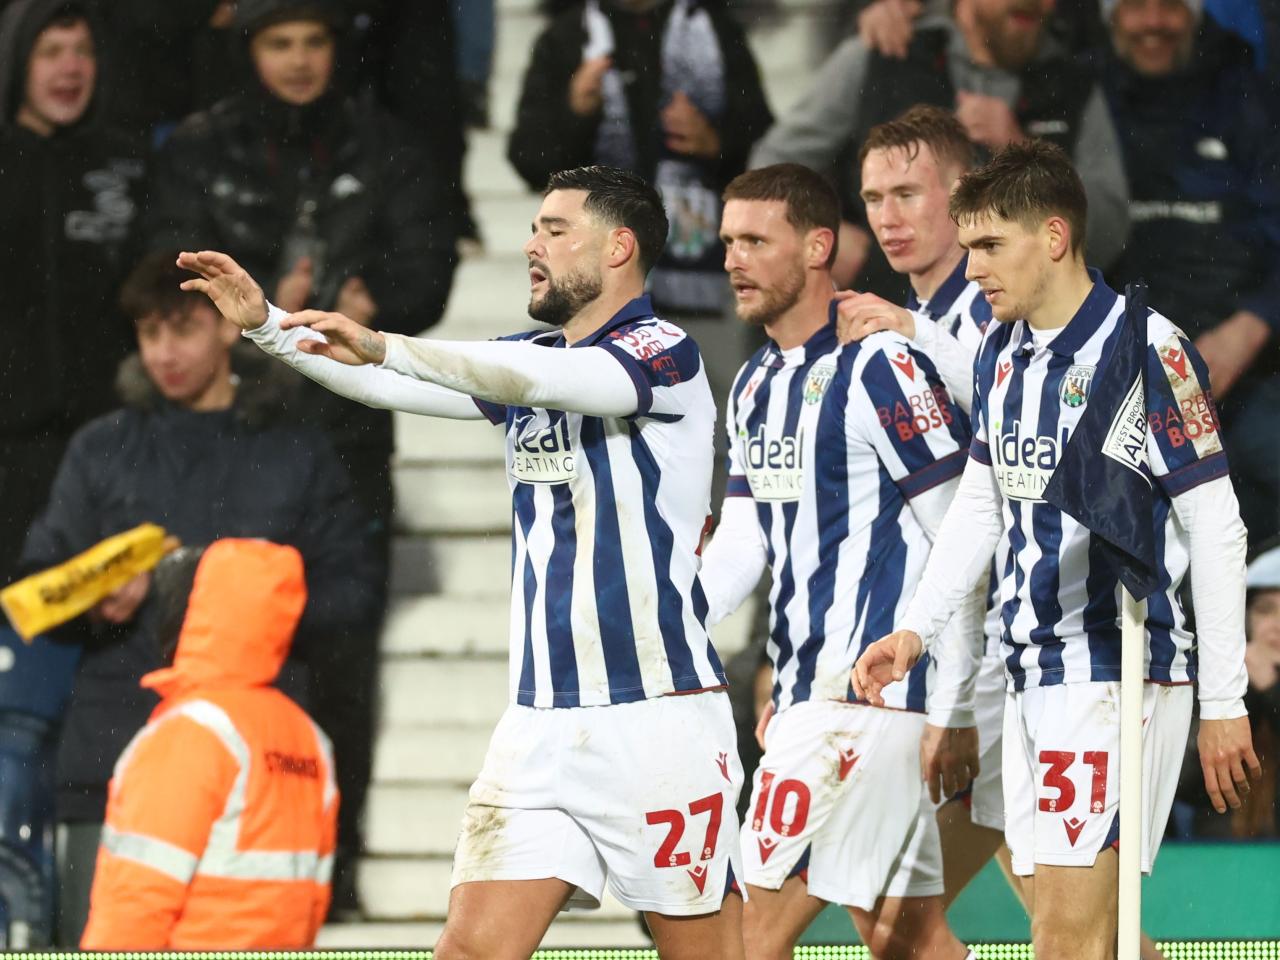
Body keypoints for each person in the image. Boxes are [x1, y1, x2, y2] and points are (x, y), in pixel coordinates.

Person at [178, 164, 746, 960]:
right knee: (469, 951)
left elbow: (543, 376)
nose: (531, 245)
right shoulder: (533, 362)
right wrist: (268, 326)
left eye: (554, 230)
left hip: (656, 718)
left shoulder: (664, 353)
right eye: (535, 227)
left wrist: (391, 342)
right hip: (540, 726)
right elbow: (383, 383)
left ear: (620, 247)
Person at [851, 140, 1261, 960]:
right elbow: (979, 503)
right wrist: (917, 630)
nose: (971, 270)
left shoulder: (1147, 348)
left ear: (1054, 235)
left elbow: (1218, 528)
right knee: (1094, 940)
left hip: (1114, 671)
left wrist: (1224, 703)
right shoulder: (1006, 351)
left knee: (1066, 941)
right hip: (1031, 672)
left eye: (989, 246)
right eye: (967, 247)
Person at [144, 0, 459, 910]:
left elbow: (427, 273)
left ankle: (335, 866)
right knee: (210, 645)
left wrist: (371, 298)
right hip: (223, 428)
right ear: (252, 50)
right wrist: (260, 309)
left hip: (349, 429)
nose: (297, 61)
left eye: (314, 41)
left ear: (337, 48)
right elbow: (159, 263)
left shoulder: (388, 142)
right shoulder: (202, 146)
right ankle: (209, 857)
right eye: (278, 42)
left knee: (342, 655)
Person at [19, 251, 379, 946]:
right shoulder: (102, 448)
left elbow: (354, 590)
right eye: (149, 333)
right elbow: (39, 578)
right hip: (115, 746)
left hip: (259, 765)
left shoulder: (293, 450)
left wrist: (246, 608)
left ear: (223, 330)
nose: (164, 352)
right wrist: (96, 594)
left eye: (181, 329)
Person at [695, 162, 978, 960]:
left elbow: (960, 530)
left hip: (869, 703)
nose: (733, 260)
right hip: (807, 697)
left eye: (756, 240)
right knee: (903, 937)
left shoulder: (880, 366)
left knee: (745, 938)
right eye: (726, 242)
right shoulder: (753, 383)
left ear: (819, 246)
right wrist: (671, 624)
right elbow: (749, 538)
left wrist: (952, 699)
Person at [507, 0, 773, 507]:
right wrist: (574, 113)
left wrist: (715, 141)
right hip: (596, 287)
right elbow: (527, 157)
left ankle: (717, 567)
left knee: (719, 432)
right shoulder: (565, 39)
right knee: (592, 433)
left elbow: (765, 143)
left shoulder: (714, 27)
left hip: (701, 280)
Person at [750, 0, 1129, 302]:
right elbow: (768, 170)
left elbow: (1109, 232)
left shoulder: (1071, 87)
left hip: (1021, 352)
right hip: (884, 339)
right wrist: (821, 234)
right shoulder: (887, 51)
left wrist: (1022, 154)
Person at [79, 539, 339, 949]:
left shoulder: (193, 734)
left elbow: (136, 903)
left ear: (198, 614)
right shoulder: (307, 737)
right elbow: (312, 899)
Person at [1100, 0, 1280, 548]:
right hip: (1124, 372)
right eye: (1135, 7)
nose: (1153, 22)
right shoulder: (1086, 93)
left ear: (1197, 16)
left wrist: (1247, 329)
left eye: (1170, 7)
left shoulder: (1249, 96)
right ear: (1110, 18)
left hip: (1248, 367)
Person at [0, 0, 146, 589]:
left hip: (106, 438)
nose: (70, 68)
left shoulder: (128, 162)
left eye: (83, 51)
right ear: (18, 62)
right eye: (52, 52)